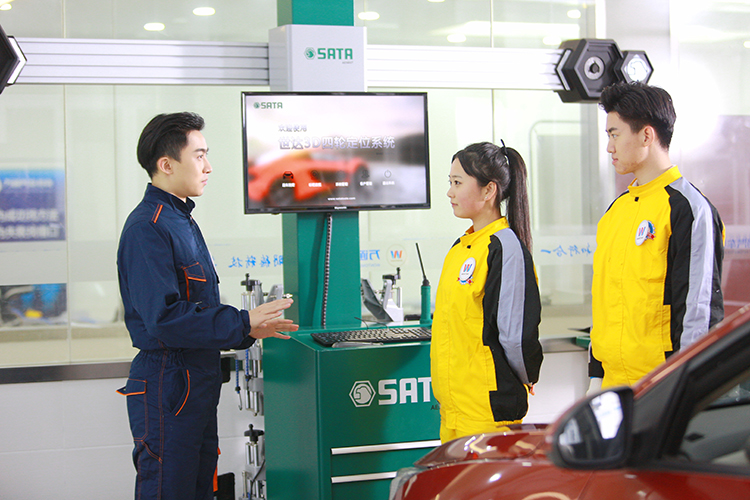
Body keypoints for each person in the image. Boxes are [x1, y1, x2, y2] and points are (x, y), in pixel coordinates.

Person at [116, 112, 298, 500]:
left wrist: (248, 329)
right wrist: (241, 321)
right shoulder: (148, 227)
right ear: (167, 164)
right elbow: (164, 319)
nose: (208, 166)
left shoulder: (180, 219)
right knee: (169, 489)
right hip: (168, 383)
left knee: (200, 488)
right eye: (199, 156)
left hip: (194, 381)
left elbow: (197, 308)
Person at [589, 82, 724, 391]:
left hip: (661, 387)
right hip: (612, 387)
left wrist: (682, 388)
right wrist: (596, 375)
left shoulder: (688, 209)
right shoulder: (616, 212)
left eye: (614, 135)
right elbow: (605, 300)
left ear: (646, 136)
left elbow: (698, 313)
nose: (609, 147)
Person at [431, 141, 543, 443]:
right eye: (450, 182)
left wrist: (526, 375)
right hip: (454, 408)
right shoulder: (461, 249)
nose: (450, 192)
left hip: (487, 410)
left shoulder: (504, 248)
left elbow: (516, 335)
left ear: (488, 190)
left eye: (457, 183)